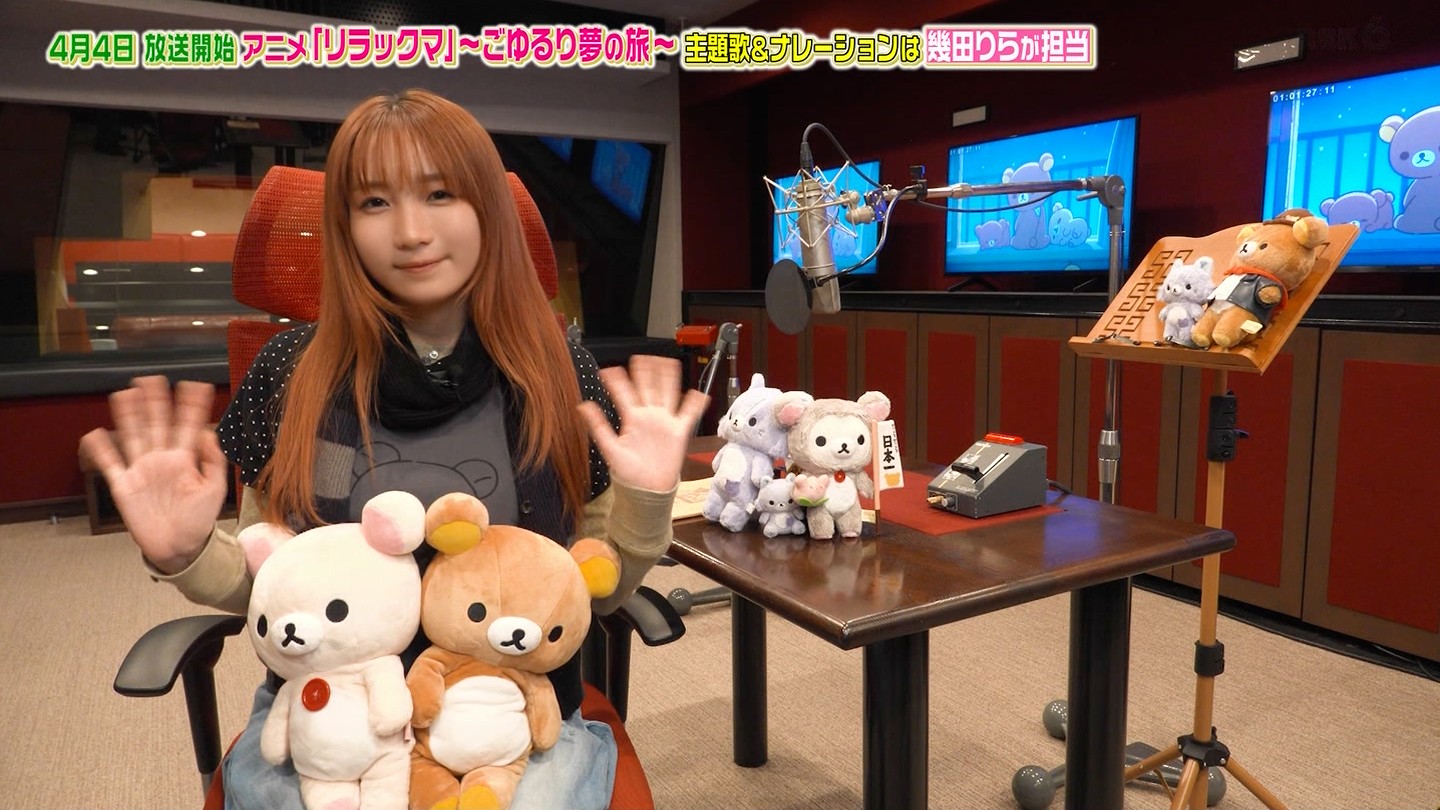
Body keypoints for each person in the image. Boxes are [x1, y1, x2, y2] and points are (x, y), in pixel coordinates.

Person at [80, 88, 707, 810]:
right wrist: (186, 554)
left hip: (504, 709)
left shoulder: (557, 373)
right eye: (374, 203)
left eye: (440, 194)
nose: (411, 232)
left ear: (487, 210)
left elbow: (583, 592)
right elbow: (277, 592)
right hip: (332, 716)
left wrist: (646, 504)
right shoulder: (291, 374)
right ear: (344, 226)